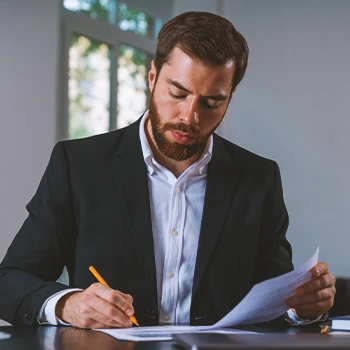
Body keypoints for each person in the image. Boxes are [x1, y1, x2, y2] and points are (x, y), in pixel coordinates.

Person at [0, 11, 335, 328]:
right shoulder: (78, 165)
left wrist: (301, 309)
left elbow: (275, 304)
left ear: (229, 97)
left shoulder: (259, 178)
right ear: (152, 77)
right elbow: (10, 281)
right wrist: (68, 305)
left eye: (211, 102)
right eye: (178, 93)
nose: (189, 117)